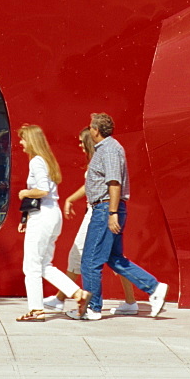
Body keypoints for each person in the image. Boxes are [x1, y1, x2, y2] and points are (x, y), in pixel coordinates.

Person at [69, 112, 168, 321]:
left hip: (105, 209)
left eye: (90, 127)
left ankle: (93, 308)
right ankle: (154, 288)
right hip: (106, 208)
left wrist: (112, 213)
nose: (89, 130)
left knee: (90, 261)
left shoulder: (109, 150)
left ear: (96, 130)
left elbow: (114, 182)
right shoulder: (108, 149)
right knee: (114, 259)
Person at [43, 127, 139, 315]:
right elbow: (90, 186)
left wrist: (112, 212)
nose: (79, 145)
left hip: (97, 213)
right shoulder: (100, 157)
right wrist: (71, 199)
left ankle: (71, 301)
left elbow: (111, 185)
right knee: (112, 258)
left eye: (81, 141)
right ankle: (130, 301)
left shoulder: (102, 156)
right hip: (98, 211)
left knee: (79, 256)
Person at [16, 123, 91, 322]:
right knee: (44, 265)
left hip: (41, 217)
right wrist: (25, 217)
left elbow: (42, 190)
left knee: (31, 266)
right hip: (52, 215)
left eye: (23, 139)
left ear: (31, 140)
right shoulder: (47, 161)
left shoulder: (36, 162)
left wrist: (24, 193)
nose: (21, 143)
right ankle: (76, 293)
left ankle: (36, 309)